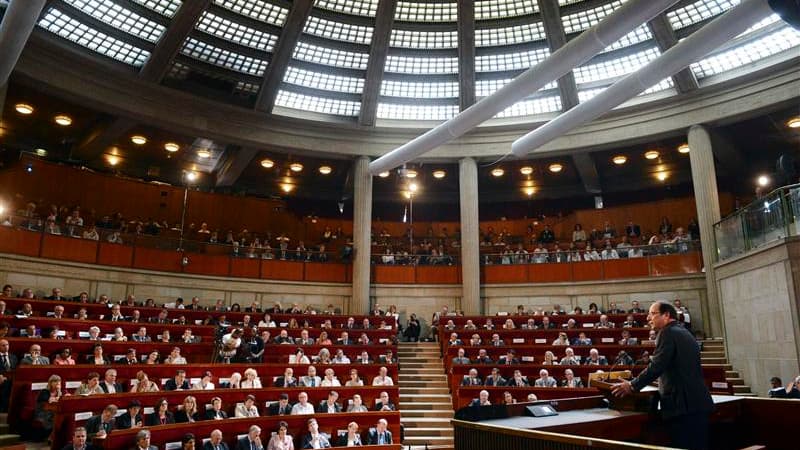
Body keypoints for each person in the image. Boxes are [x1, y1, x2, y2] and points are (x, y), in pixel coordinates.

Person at [612, 301, 714, 450]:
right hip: (696, 403)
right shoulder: (684, 332)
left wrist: (632, 385)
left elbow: (656, 367)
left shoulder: (667, 333)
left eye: (652, 314)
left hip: (682, 407)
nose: (648, 318)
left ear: (666, 315)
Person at [35, 374, 62, 439]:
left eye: (59, 382)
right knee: (54, 417)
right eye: (55, 382)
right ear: (51, 383)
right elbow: (49, 401)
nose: (57, 384)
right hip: (43, 412)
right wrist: (57, 397)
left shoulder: (59, 392)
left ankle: (53, 437)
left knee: (59, 416)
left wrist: (59, 393)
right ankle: (51, 437)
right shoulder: (45, 391)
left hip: (53, 411)